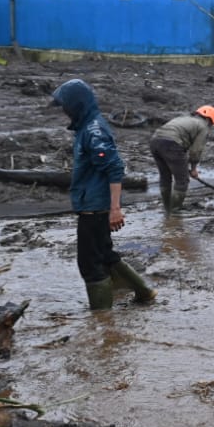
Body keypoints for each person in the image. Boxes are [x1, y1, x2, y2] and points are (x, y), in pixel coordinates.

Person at [50, 78, 156, 310]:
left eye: (66, 106)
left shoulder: (93, 130)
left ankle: (102, 318)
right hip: (93, 203)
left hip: (95, 207)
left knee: (89, 263)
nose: (64, 112)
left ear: (76, 104)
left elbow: (115, 167)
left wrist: (115, 209)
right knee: (104, 253)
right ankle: (144, 292)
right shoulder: (86, 127)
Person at [148, 105, 214, 213]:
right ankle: (175, 211)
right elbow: (196, 150)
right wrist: (194, 168)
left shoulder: (183, 118)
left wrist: (183, 163)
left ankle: (167, 208)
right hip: (171, 144)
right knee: (182, 180)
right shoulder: (203, 126)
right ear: (209, 119)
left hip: (155, 141)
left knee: (165, 176)